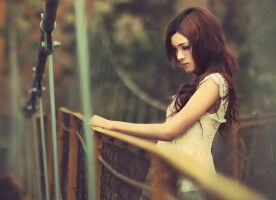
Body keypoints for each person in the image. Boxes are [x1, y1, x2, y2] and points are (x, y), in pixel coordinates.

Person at [91, 7, 239, 199]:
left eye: (185, 47)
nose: (179, 56)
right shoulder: (201, 84)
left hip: (189, 183)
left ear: (205, 43)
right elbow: (170, 133)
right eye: (175, 49)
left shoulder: (214, 83)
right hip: (167, 178)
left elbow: (170, 131)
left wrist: (109, 124)